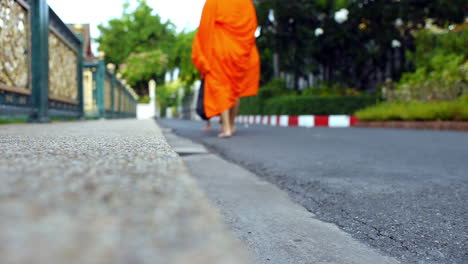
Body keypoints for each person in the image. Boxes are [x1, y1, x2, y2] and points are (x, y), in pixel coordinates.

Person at [192, 0, 260, 138]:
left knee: (221, 86)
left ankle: (226, 127)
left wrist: (203, 55)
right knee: (235, 89)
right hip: (239, 51)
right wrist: (245, 48)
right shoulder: (246, 3)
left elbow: (205, 28)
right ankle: (231, 124)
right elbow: (251, 27)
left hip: (220, 49)